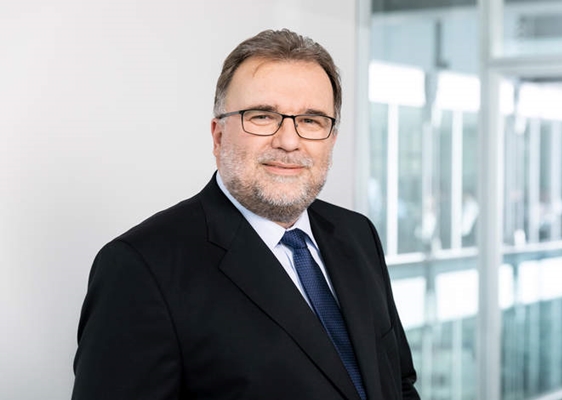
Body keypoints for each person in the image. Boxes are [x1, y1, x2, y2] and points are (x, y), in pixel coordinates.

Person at [72, 28, 420, 400]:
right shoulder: (142, 268)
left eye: (311, 120)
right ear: (218, 135)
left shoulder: (357, 233)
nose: (289, 141)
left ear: (331, 139)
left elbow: (398, 383)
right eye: (262, 116)